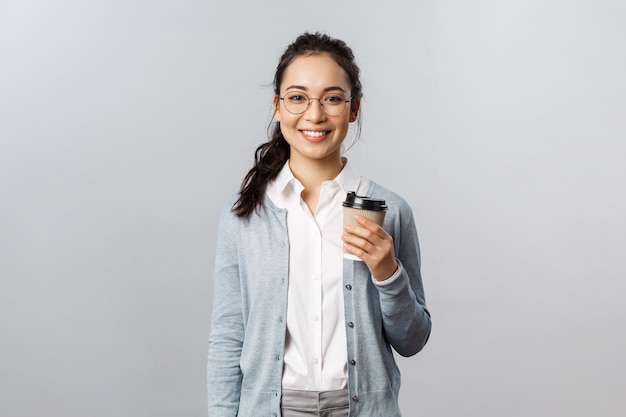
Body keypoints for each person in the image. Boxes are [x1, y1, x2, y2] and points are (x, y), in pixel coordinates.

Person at [207, 32, 431, 417]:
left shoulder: (390, 211)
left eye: (331, 98)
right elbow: (228, 338)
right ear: (277, 106)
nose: (314, 115)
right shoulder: (244, 214)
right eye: (297, 98)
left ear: (353, 108)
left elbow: (412, 339)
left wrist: (387, 273)